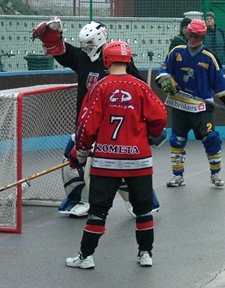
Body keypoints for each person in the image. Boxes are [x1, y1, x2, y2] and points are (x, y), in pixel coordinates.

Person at [32, 18, 162, 217]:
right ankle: (81, 201)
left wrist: (147, 128)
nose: (86, 48)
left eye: (90, 44)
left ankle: (141, 202)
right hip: (88, 125)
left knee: (115, 167)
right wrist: (51, 41)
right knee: (74, 161)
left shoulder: (119, 63)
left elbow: (140, 91)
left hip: (113, 130)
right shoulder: (83, 56)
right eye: (84, 44)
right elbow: (62, 51)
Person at [65, 41, 167, 269]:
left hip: (106, 162)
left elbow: (86, 126)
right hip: (138, 161)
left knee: (98, 210)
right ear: (128, 60)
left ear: (106, 60)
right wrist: (149, 134)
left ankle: (86, 256)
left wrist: (78, 154)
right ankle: (145, 254)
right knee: (143, 209)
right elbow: (160, 116)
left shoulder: (99, 88)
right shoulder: (141, 87)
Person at [155, 19, 225, 188]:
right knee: (177, 140)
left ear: (202, 36)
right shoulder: (176, 52)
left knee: (211, 138)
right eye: (190, 35)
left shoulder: (209, 58)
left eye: (196, 36)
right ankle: (177, 176)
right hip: (180, 105)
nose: (192, 39)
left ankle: (215, 173)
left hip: (202, 108)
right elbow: (163, 70)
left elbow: (221, 85)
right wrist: (165, 79)